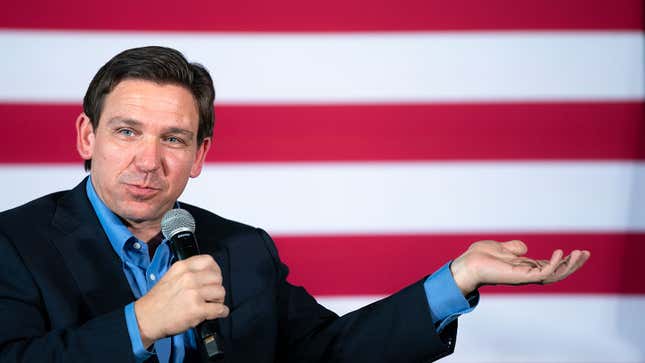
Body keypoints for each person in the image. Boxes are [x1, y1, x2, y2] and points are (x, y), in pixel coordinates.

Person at [0, 46, 590, 363]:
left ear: (200, 154)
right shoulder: (16, 244)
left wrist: (457, 278)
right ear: (86, 137)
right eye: (127, 132)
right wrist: (142, 323)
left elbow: (329, 352)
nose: (149, 160)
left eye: (173, 139)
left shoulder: (243, 249)